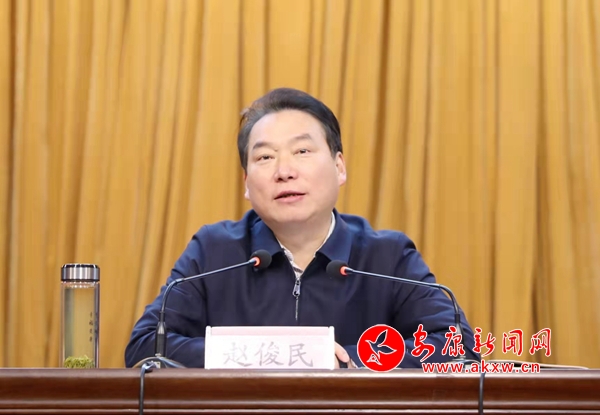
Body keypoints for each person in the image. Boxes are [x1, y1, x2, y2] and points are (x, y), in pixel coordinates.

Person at [124, 87, 480, 369]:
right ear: (246, 184)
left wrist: (347, 361)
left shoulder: (387, 257)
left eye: (302, 152)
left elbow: (458, 347)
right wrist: (265, 356)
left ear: (339, 167)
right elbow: (146, 347)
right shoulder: (214, 251)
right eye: (265, 157)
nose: (284, 171)